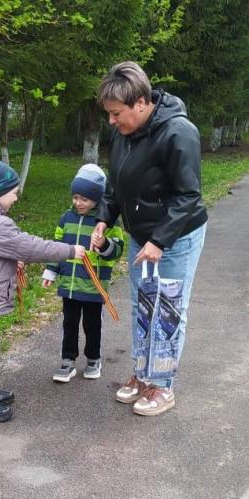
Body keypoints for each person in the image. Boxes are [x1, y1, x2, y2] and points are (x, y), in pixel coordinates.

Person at [92, 61, 208, 416]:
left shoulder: (178, 132)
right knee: (143, 309)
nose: (112, 121)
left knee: (168, 311)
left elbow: (189, 197)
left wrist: (159, 240)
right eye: (109, 114)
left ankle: (163, 385)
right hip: (141, 237)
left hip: (175, 238)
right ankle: (143, 374)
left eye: (117, 114)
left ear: (141, 102)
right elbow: (117, 185)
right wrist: (103, 219)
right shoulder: (123, 133)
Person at [0, 160, 85, 423]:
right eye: (13, 191)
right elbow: (30, 246)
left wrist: (11, 259)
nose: (16, 196)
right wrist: (70, 251)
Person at [42, 164, 124, 382]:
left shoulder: (107, 223)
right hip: (69, 284)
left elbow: (116, 251)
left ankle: (93, 359)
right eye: (76, 197)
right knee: (69, 323)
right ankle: (67, 361)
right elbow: (57, 247)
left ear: (97, 199)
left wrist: (104, 243)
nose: (78, 203)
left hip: (93, 285)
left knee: (92, 324)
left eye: (84, 199)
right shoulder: (65, 218)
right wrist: (50, 271)